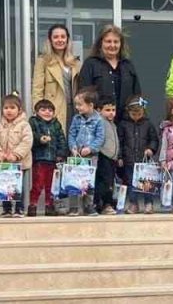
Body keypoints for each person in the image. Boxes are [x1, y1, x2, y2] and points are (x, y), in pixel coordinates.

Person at [77, 24, 142, 116]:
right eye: (108, 41)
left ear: (121, 44)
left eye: (116, 42)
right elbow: (84, 95)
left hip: (125, 122)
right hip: (99, 122)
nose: (112, 45)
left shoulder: (128, 65)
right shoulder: (90, 64)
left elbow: (136, 94)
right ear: (101, 43)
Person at [0, 93, 33, 218]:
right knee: (5, 186)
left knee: (19, 187)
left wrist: (16, 154)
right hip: (4, 163)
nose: (9, 111)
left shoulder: (24, 125)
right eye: (6, 108)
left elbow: (27, 142)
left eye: (12, 108)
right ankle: (7, 209)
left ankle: (19, 209)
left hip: (20, 163)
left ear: (19, 110)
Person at [31, 24, 81, 126]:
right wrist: (39, 113)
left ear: (67, 40)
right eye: (56, 37)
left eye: (63, 37)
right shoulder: (43, 61)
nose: (60, 40)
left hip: (75, 111)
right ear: (50, 40)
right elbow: (37, 90)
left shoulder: (75, 63)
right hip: (53, 111)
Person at [118, 96, 159, 214]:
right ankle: (133, 204)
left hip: (144, 160)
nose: (136, 116)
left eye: (139, 114)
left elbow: (154, 139)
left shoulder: (148, 124)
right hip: (129, 159)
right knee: (131, 183)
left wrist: (151, 149)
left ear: (143, 112)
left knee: (147, 183)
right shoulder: (123, 125)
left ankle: (148, 203)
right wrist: (120, 156)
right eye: (133, 114)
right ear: (128, 112)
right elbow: (120, 142)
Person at [68, 87, 105, 216]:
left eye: (80, 105)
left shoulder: (99, 120)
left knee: (88, 181)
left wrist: (90, 148)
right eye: (76, 105)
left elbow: (100, 138)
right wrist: (73, 147)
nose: (77, 107)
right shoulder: (76, 119)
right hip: (77, 155)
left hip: (91, 156)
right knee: (74, 180)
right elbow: (72, 134)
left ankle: (88, 205)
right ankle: (74, 206)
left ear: (90, 105)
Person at [28, 99, 68, 217]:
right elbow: (31, 136)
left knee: (51, 185)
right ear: (36, 111)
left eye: (50, 110)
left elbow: (61, 140)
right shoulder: (33, 122)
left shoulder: (56, 124)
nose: (47, 112)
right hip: (39, 159)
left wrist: (61, 154)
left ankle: (49, 206)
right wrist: (40, 139)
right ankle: (33, 205)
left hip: (53, 159)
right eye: (43, 110)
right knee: (38, 183)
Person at [94, 98, 121, 215]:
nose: (111, 113)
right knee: (104, 183)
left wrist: (117, 156)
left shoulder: (113, 124)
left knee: (110, 182)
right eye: (107, 110)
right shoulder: (99, 122)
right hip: (103, 156)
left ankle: (107, 203)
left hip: (112, 158)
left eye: (113, 110)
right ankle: (104, 204)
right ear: (99, 111)